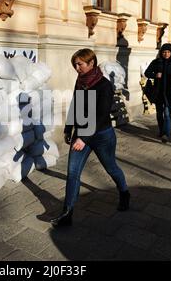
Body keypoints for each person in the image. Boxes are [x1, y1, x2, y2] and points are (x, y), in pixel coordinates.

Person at [50, 49, 130, 227]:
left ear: (91, 63)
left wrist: (84, 138)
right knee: (72, 173)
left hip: (102, 136)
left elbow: (102, 115)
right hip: (81, 134)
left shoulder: (104, 85)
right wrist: (68, 129)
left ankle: (124, 192)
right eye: (75, 65)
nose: (77, 68)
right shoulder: (80, 82)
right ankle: (67, 213)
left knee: (111, 168)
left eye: (80, 64)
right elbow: (76, 105)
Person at [144, 43, 171, 143]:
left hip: (169, 93)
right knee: (159, 114)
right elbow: (146, 73)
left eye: (168, 52)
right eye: (164, 52)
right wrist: (155, 75)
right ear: (161, 52)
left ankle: (166, 134)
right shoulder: (156, 62)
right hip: (158, 93)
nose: (166, 54)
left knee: (167, 114)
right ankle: (161, 131)